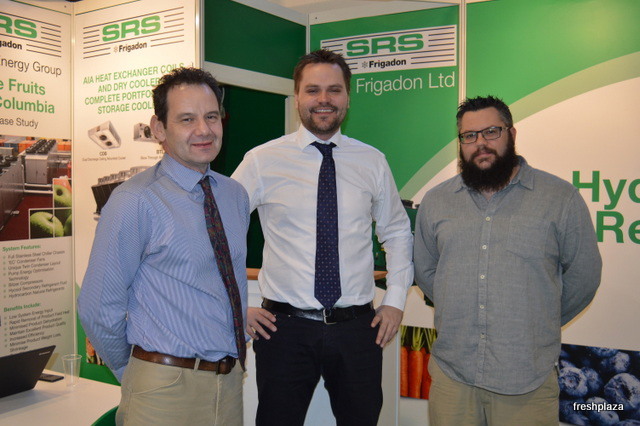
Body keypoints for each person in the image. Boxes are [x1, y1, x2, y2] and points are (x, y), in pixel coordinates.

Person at [231, 49, 413, 426]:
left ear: (347, 97)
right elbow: (217, 232)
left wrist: (395, 301)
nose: (324, 99)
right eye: (313, 90)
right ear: (297, 96)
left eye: (334, 90)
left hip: (358, 329)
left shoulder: (372, 161)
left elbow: (397, 231)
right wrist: (236, 305)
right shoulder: (262, 161)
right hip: (284, 330)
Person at [414, 95, 602, 425]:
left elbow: (584, 275)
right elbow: (427, 271)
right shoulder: (436, 201)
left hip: (526, 379)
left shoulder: (560, 198)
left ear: (512, 134)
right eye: (469, 136)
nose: (480, 143)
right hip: (453, 377)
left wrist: (538, 319)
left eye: (491, 132)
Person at [78, 67, 249, 425]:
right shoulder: (135, 200)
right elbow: (98, 308)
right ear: (159, 129)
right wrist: (137, 374)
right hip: (163, 390)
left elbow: (221, 287)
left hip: (230, 384)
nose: (203, 129)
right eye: (187, 119)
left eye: (211, 116)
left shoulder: (234, 195)